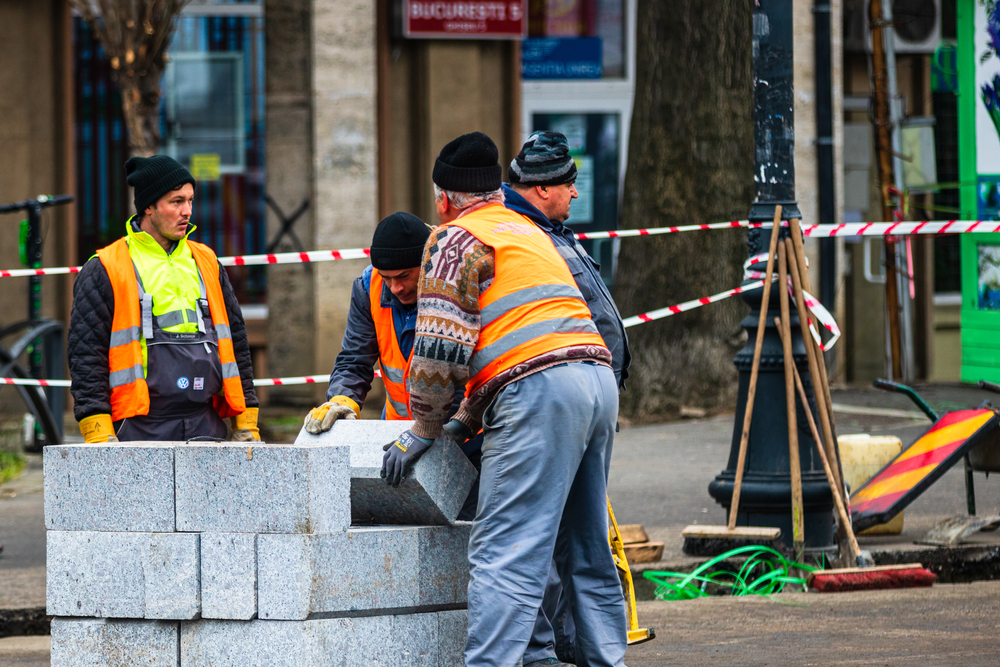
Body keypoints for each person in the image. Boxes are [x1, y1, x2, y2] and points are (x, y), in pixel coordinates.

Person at [385, 131, 627, 667]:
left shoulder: (453, 239)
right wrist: (467, 417)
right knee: (586, 550)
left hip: (541, 392)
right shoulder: (528, 232)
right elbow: (519, 332)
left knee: (504, 555)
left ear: (444, 199)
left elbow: (439, 350)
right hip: (595, 381)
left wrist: (423, 429)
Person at [504, 130, 632, 664]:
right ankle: (549, 655)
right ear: (541, 190)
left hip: (584, 408)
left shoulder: (552, 232)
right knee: (554, 547)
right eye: (569, 184)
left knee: (584, 544)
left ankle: (585, 653)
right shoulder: (530, 240)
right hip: (551, 411)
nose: (576, 194)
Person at [69, 156, 259, 443]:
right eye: (176, 201)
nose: (187, 211)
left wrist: (246, 423)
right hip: (136, 427)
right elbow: (86, 356)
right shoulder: (106, 267)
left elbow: (236, 343)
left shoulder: (206, 261)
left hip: (205, 422)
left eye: (191, 201)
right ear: (148, 205)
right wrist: (98, 433)